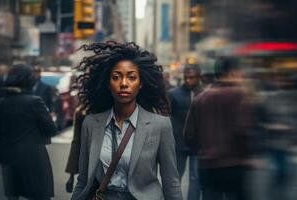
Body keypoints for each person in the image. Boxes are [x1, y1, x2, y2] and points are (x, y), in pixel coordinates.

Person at [71, 41, 182, 200]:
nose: (124, 84)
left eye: (131, 77)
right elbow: (83, 181)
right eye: (116, 77)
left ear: (141, 83)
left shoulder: (160, 125)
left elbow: (171, 181)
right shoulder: (90, 124)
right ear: (108, 84)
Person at [184, 57, 253, 200]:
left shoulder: (200, 98)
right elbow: (243, 131)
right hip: (234, 166)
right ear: (233, 73)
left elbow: (189, 135)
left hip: (207, 166)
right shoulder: (241, 96)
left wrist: (202, 151)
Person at [0, 64, 59, 200]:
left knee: (14, 195)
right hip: (33, 158)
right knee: (39, 195)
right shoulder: (34, 102)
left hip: (9, 159)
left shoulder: (0, 103)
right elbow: (51, 130)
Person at [168, 65, 203, 200]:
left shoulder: (204, 94)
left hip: (197, 143)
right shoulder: (173, 94)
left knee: (195, 178)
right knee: (176, 177)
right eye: (186, 77)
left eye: (192, 77)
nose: (188, 80)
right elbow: (167, 116)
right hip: (179, 142)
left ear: (198, 77)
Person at [65, 104, 88, 193]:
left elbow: (76, 143)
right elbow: (77, 143)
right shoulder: (114, 109)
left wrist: (71, 176)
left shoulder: (82, 111)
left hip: (87, 168)